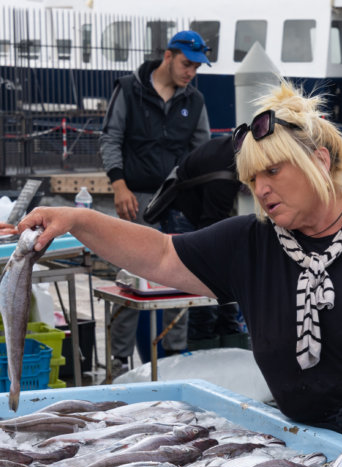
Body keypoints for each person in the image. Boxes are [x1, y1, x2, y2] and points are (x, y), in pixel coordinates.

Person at [18, 80, 342, 467]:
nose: (262, 189)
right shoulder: (254, 242)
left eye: (273, 170)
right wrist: (79, 220)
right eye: (252, 179)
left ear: (319, 159)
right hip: (320, 455)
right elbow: (161, 253)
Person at [99, 29, 211, 373]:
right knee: (130, 279)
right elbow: (111, 138)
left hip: (177, 203)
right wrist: (119, 185)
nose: (191, 72)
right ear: (168, 55)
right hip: (136, 201)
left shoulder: (194, 102)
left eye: (196, 67)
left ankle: (176, 359)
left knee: (180, 281)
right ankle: (119, 362)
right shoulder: (129, 89)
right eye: (186, 63)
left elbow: (202, 152)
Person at [145, 135, 247, 350]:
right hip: (183, 214)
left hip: (201, 205)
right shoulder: (224, 175)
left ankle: (231, 349)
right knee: (203, 297)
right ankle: (196, 354)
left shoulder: (236, 144)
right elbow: (211, 229)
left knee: (228, 301)